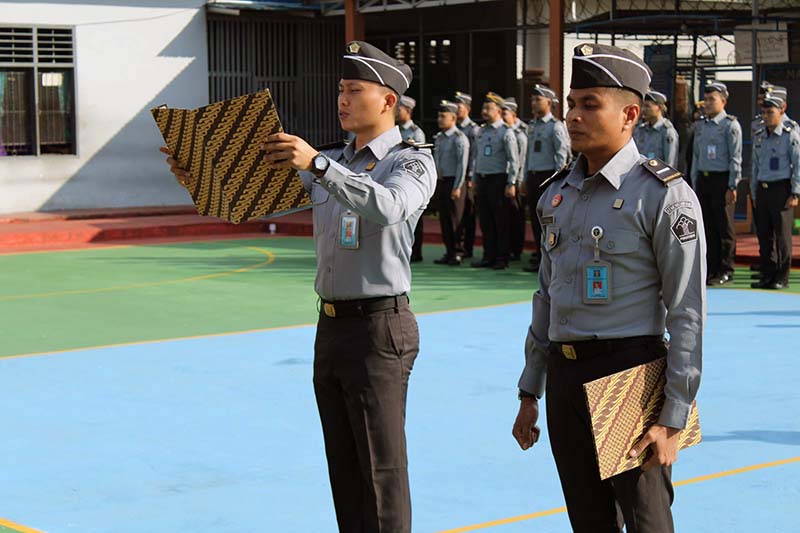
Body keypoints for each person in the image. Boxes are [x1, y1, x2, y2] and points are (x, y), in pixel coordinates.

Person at [162, 41, 435, 533]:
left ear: (389, 101)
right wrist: (196, 177)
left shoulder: (409, 162)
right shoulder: (328, 160)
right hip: (330, 328)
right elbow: (246, 201)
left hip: (380, 328)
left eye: (354, 90)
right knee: (346, 469)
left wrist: (320, 166)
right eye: (340, 90)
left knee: (382, 471)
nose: (342, 100)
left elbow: (391, 206)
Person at [512, 43, 705, 533]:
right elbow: (546, 297)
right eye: (571, 104)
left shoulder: (662, 195)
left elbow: (686, 311)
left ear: (630, 114)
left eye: (590, 105)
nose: (573, 116)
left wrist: (673, 416)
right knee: (588, 520)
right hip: (565, 375)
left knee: (645, 522)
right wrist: (530, 389)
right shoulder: (556, 194)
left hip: (630, 374)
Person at [691, 82, 742, 286]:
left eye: (712, 99)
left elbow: (735, 157)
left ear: (723, 101)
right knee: (707, 227)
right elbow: (696, 156)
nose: (708, 104)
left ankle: (726, 269)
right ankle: (711, 268)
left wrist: (733, 185)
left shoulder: (730, 125)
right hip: (704, 179)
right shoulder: (701, 125)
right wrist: (694, 182)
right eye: (706, 99)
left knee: (724, 227)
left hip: (722, 180)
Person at [750, 91, 800, 290]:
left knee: (782, 236)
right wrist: (753, 192)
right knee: (764, 235)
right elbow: (754, 166)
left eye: (770, 112)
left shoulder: (790, 135)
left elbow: (798, 165)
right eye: (763, 112)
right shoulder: (760, 136)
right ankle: (767, 274)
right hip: (762, 189)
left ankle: (782, 276)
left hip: (781, 188)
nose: (766, 116)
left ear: (781, 111)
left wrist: (795, 192)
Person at [522, 84, 570, 273]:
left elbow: (561, 155)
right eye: (532, 99)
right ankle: (539, 256)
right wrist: (525, 177)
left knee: (548, 220)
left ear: (549, 102)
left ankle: (549, 259)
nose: (533, 103)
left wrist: (557, 181)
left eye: (537, 99)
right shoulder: (532, 125)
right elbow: (528, 155)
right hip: (534, 176)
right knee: (535, 219)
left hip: (548, 177)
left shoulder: (556, 126)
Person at [471, 92, 519, 270]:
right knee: (485, 221)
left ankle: (501, 258)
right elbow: (475, 158)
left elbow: (513, 160)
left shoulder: (506, 132)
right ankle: (487, 256)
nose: (484, 111)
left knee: (501, 221)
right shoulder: (481, 131)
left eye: (488, 108)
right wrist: (474, 179)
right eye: (484, 108)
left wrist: (511, 182)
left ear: (498, 110)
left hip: (498, 180)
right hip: (483, 180)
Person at [432, 100, 470, 265]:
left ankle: (458, 252)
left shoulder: (459, 138)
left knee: (456, 219)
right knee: (445, 219)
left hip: (455, 182)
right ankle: (448, 251)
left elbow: (462, 164)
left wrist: (458, 186)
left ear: (453, 117)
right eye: (439, 116)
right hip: (442, 181)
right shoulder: (439, 137)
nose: (439, 119)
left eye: (443, 116)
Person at [397, 95, 428, 262]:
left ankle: (416, 252)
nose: (396, 112)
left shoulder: (416, 132)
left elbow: (420, 159)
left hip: (412, 180)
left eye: (399, 109)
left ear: (408, 111)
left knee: (414, 219)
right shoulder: (395, 131)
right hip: (397, 178)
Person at [454, 91, 480, 259]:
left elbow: (475, 155)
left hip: (468, 177)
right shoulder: (455, 129)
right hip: (458, 174)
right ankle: (459, 248)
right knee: (457, 213)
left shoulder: (473, 130)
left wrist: (471, 176)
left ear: (467, 108)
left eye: (459, 106)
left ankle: (467, 249)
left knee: (467, 214)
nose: (456, 109)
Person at [503, 96, 529, 261]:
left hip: (517, 180)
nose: (502, 116)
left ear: (513, 114)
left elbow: (522, 159)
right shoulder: (504, 130)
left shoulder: (521, 132)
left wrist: (518, 181)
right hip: (505, 179)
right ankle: (510, 248)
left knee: (517, 216)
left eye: (504, 113)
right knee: (507, 217)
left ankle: (517, 250)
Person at [634, 89, 679, 167]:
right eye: (643, 106)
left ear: (659, 107)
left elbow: (670, 162)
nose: (644, 110)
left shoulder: (667, 131)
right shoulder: (641, 129)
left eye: (648, 106)